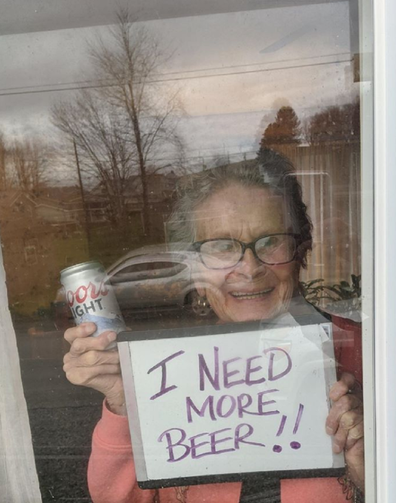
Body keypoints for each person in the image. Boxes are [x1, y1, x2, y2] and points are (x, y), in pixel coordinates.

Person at [63, 149, 364, 503]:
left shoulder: (367, 350)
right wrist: (122, 399)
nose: (249, 268)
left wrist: (368, 463)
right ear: (193, 266)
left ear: (301, 249)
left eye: (270, 241)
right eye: (221, 247)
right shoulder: (166, 366)